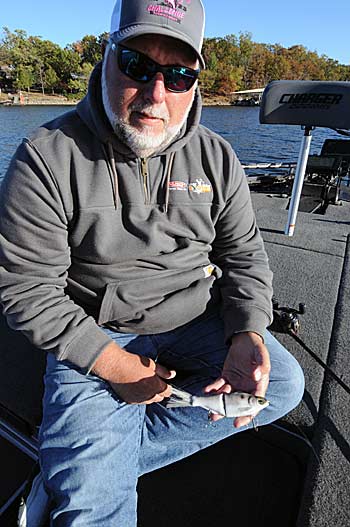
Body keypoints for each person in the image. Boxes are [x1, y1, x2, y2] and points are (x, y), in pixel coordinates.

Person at [0, 0, 304, 524]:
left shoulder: (217, 157)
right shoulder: (46, 155)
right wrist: (116, 365)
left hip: (196, 320)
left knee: (281, 386)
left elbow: (244, 255)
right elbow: (27, 291)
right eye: (138, 65)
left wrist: (247, 333)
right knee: (96, 513)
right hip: (97, 331)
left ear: (194, 84)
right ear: (108, 56)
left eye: (179, 74)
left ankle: (85, 466)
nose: (156, 93)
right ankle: (88, 471)